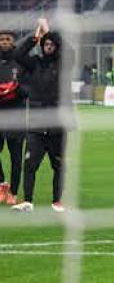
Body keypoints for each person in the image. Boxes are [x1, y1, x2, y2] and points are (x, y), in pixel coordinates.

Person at [12, 18, 74, 213]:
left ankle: (57, 201)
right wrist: (35, 37)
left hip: (58, 124)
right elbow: (18, 54)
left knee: (59, 166)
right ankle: (28, 201)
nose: (48, 47)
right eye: (45, 44)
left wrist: (49, 31)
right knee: (30, 164)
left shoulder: (63, 64)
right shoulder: (34, 64)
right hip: (37, 125)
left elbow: (69, 51)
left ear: (56, 46)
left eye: (51, 44)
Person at [0, 30, 25, 206]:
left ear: (14, 42)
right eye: (1, 39)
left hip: (16, 115)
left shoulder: (21, 62)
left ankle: (14, 193)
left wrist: (15, 90)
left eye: (8, 39)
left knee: (16, 157)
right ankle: (2, 184)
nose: (4, 42)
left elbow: (29, 89)